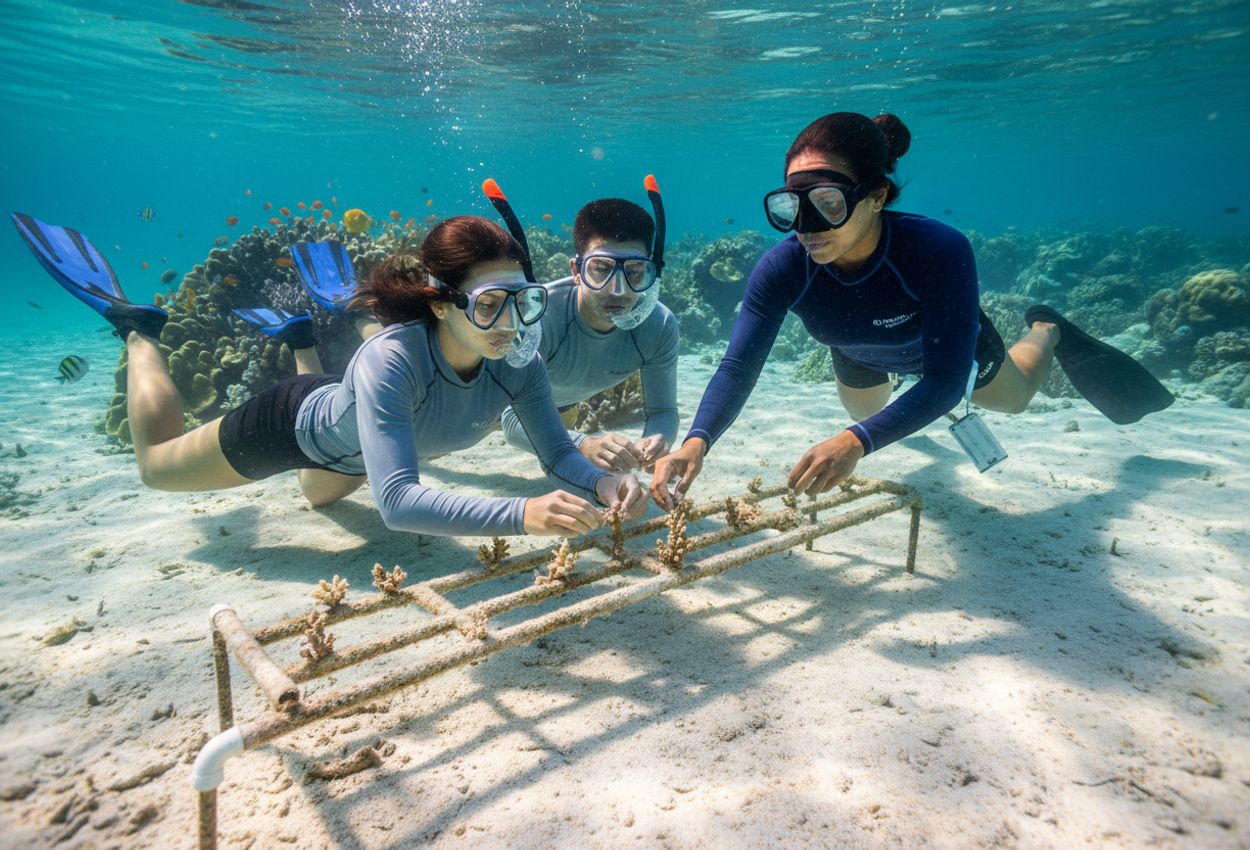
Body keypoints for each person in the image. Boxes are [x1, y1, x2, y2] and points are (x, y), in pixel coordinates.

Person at [649, 112, 1173, 510]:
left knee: (1012, 402)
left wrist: (858, 442)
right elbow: (739, 365)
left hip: (943, 348)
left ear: (875, 196)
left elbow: (946, 381)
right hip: (860, 350)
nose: (806, 224)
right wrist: (697, 440)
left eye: (828, 203)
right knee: (864, 415)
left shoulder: (937, 249)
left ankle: (1046, 328)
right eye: (790, 206)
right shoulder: (781, 267)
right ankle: (897, 408)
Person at [11, 212, 647, 537]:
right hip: (293, 424)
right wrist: (522, 514)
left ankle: (301, 337)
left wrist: (604, 482)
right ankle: (136, 328)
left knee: (317, 497)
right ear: (438, 301)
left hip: (352, 439)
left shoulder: (518, 358)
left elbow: (560, 455)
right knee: (154, 467)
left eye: (525, 300)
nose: (513, 322)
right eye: (488, 304)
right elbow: (396, 502)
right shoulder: (392, 360)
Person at [500, 194, 679, 474]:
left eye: (634, 272)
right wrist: (583, 445)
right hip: (479, 401)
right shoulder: (538, 319)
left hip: (559, 407)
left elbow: (664, 412)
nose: (618, 290)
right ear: (576, 270)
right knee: (442, 441)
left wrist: (659, 437)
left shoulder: (660, 326)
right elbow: (509, 419)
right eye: (601, 269)